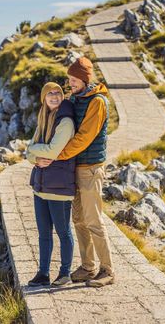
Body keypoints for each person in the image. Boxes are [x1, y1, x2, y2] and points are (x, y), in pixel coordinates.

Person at [37, 57, 114, 287]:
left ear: (85, 79)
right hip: (75, 168)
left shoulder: (97, 102)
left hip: (90, 169)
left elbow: (83, 138)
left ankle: (107, 269)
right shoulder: (76, 99)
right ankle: (88, 267)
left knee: (93, 219)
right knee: (79, 219)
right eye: (69, 79)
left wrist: (54, 155)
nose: (70, 83)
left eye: (74, 80)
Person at [26, 81, 76, 287]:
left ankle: (65, 273)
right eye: (50, 94)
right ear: (44, 98)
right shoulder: (43, 119)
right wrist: (35, 158)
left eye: (58, 93)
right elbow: (29, 152)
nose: (54, 96)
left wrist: (35, 150)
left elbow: (53, 151)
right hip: (41, 187)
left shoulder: (65, 122)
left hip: (59, 188)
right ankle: (43, 273)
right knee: (44, 234)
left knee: (63, 233)